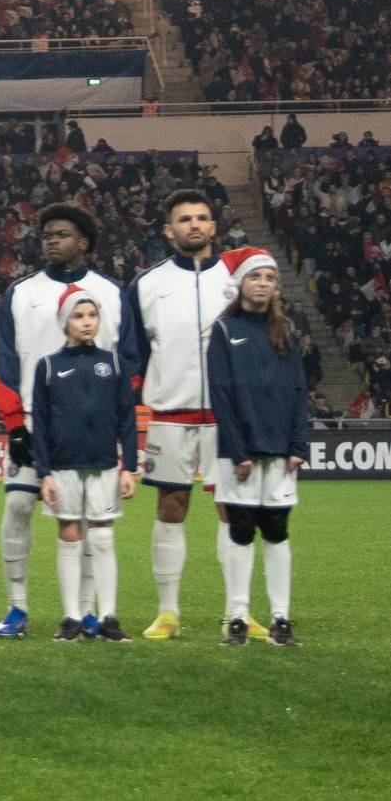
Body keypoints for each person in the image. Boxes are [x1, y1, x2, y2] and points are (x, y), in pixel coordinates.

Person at [0, 202, 126, 640]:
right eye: (47, 234)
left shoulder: (110, 293)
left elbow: (128, 362)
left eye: (61, 234)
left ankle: (85, 612)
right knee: (17, 505)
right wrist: (15, 424)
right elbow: (5, 362)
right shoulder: (20, 292)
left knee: (85, 520)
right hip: (33, 420)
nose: (51, 240)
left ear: (83, 242)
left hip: (90, 427)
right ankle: (17, 606)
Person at [123, 187, 237, 640]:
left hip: (227, 415)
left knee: (232, 508)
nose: (195, 225)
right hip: (171, 412)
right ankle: (167, 612)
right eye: (185, 219)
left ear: (213, 226)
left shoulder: (236, 277)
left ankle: (236, 612)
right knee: (171, 505)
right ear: (169, 230)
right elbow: (133, 354)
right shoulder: (147, 284)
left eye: (202, 218)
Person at [207, 249, 312, 647]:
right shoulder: (224, 330)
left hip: (281, 448)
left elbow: (299, 388)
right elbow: (221, 394)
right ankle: (237, 617)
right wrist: (238, 450)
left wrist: (298, 443)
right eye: (256, 277)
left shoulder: (285, 329)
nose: (263, 284)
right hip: (241, 451)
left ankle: (280, 619)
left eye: (269, 278)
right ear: (241, 284)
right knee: (241, 528)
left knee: (277, 529)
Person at [27, 291, 137, 642]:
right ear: (65, 322)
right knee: (70, 535)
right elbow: (40, 423)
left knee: (103, 536)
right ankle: (72, 617)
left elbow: (127, 418)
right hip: (63, 466)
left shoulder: (114, 363)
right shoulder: (48, 367)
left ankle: (108, 617)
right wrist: (44, 472)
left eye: (92, 315)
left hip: (104, 463)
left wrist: (129, 467)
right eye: (79, 316)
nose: (87, 321)